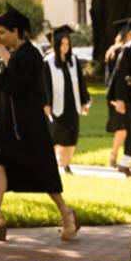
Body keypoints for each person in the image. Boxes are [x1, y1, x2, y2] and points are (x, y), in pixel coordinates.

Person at [0, 6, 78, 243]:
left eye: (2, 32)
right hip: (4, 128)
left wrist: (7, 59)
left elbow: (21, 86)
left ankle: (66, 213)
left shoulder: (31, 56)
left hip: (28, 130)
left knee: (43, 174)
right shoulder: (1, 56)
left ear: (16, 31)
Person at [46, 26, 90, 175]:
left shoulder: (74, 60)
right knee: (56, 136)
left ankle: (66, 164)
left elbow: (81, 83)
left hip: (73, 104)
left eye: (67, 43)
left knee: (72, 136)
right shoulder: (48, 62)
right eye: (62, 43)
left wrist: (85, 101)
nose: (65, 47)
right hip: (56, 105)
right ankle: (53, 164)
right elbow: (44, 84)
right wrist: (45, 103)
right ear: (56, 44)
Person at [104, 14, 131, 176]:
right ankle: (124, 163)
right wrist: (119, 99)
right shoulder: (129, 49)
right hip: (128, 97)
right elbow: (120, 76)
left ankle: (129, 162)